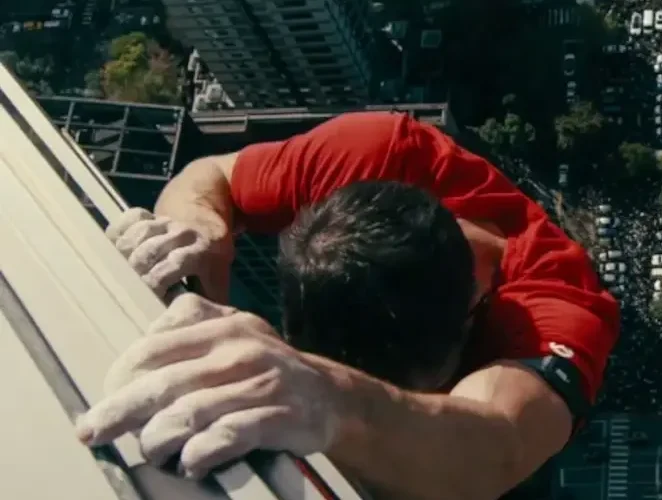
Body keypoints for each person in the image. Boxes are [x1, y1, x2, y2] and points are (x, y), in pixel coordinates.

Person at [76, 111, 621, 499]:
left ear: (475, 309)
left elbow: (497, 445)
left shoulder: (557, 305)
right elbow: (211, 175)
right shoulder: (373, 154)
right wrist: (201, 235)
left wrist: (330, 396)